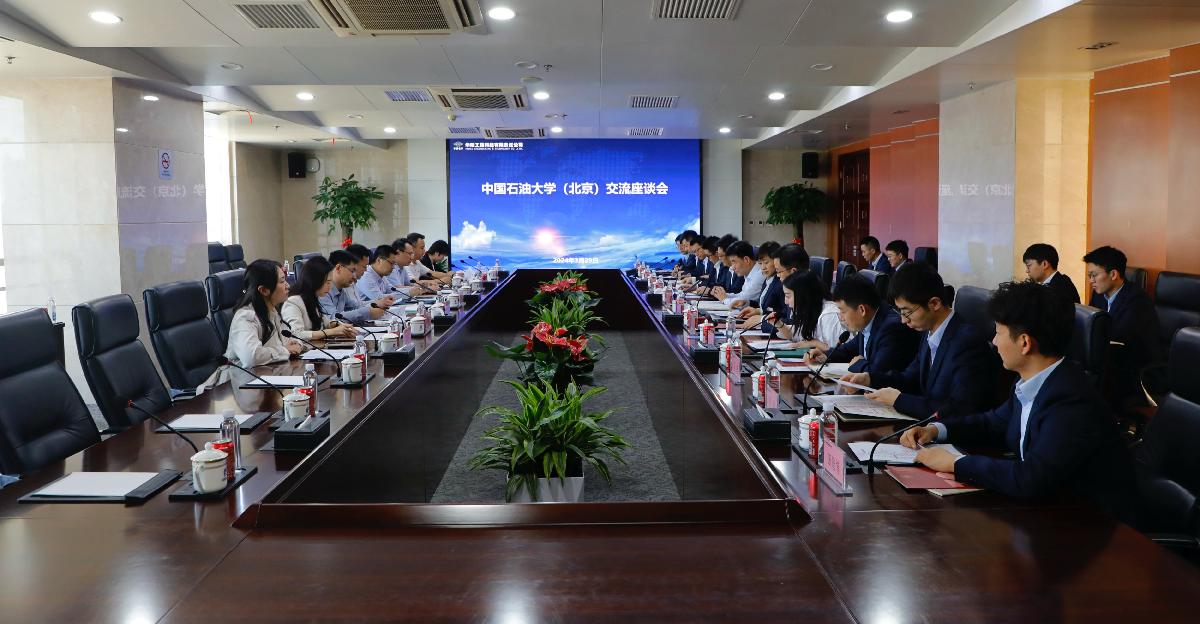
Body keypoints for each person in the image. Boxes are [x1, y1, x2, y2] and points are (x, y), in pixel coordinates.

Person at [900, 281, 1136, 519]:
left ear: (1024, 343)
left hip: (1087, 522)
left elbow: (1031, 477)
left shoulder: (1070, 400)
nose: (993, 341)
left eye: (998, 332)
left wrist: (956, 463)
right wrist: (935, 430)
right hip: (1047, 510)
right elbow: (992, 423)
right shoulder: (1030, 381)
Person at [841, 262, 1000, 419]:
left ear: (934, 304)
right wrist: (869, 379)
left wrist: (899, 400)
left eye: (907, 312)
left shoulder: (967, 343)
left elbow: (959, 410)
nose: (903, 320)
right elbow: (909, 378)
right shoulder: (929, 331)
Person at [1084, 245, 1162, 404]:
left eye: (1094, 275)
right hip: (1111, 362)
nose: (1091, 281)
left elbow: (1116, 338)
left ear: (1113, 274)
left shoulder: (1137, 301)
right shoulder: (1099, 294)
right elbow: (1092, 325)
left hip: (1134, 370)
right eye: (1089, 275)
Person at [804, 273, 919, 374]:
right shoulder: (869, 321)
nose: (841, 317)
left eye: (843, 311)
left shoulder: (892, 329)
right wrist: (825, 355)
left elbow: (877, 373)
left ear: (862, 310)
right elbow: (847, 351)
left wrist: (859, 364)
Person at [225, 259, 302, 367]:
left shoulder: (272, 310)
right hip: (240, 376)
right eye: (282, 281)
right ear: (264, 290)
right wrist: (285, 350)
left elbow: (290, 339)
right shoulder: (245, 317)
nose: (288, 285)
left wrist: (297, 344)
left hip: (270, 372)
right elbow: (251, 357)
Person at [281, 256, 357, 342]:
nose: (330, 287)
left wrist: (338, 325)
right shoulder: (293, 302)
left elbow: (324, 322)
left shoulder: (312, 298)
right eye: (327, 282)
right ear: (314, 281)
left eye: (331, 282)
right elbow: (296, 334)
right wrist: (332, 331)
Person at [768, 270, 846, 350]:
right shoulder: (810, 310)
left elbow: (838, 351)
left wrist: (814, 343)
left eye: (788, 296)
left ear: (803, 295)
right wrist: (778, 324)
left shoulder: (829, 315)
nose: (786, 302)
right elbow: (797, 335)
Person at [319, 250, 393, 325]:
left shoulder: (341, 289)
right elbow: (333, 320)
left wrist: (375, 304)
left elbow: (355, 307)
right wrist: (368, 312)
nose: (354, 276)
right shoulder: (322, 291)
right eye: (352, 271)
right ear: (338, 268)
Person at [737, 242, 782, 325]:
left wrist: (761, 319)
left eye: (766, 262)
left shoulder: (780, 283)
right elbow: (766, 307)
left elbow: (780, 313)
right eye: (760, 263)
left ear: (776, 262)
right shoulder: (767, 280)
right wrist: (748, 303)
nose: (763, 267)